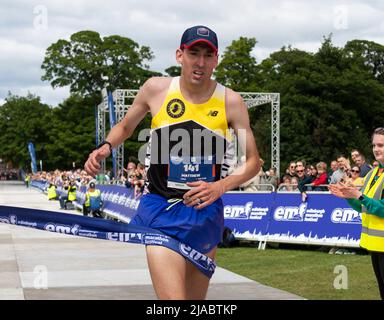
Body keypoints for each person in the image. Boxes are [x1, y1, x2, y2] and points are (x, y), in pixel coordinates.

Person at [84, 25, 261, 300]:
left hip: (204, 211)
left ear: (216, 60)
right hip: (160, 209)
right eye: (193, 53)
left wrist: (221, 187)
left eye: (207, 55)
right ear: (180, 55)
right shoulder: (156, 89)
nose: (200, 62)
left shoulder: (231, 101)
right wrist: (106, 146)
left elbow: (253, 162)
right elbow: (126, 127)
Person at [328, 127, 384, 299]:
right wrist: (348, 196)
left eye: (381, 145)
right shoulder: (373, 173)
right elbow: (363, 207)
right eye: (374, 145)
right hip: (375, 245)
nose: (376, 149)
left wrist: (358, 195)